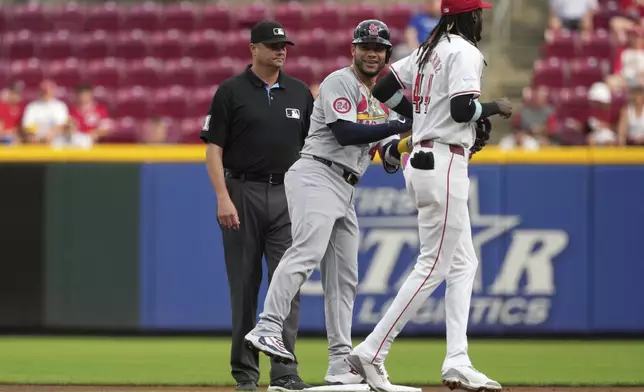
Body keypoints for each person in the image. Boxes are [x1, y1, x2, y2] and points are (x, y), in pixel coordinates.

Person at [345, 1, 513, 391]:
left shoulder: (428, 49)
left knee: (463, 262)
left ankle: (457, 358)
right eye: (479, 11)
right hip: (443, 162)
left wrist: (419, 120)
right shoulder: (464, 51)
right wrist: (494, 108)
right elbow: (460, 109)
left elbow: (385, 86)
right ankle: (372, 350)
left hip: (424, 159)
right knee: (434, 265)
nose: (482, 16)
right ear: (468, 15)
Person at [244, 20, 415, 387]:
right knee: (306, 252)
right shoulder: (341, 81)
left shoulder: (380, 99)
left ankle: (340, 360)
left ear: (386, 55)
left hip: (346, 186)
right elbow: (347, 131)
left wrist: (406, 143)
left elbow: (383, 156)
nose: (372, 52)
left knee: (344, 278)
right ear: (353, 50)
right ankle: (267, 326)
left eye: (379, 48)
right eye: (365, 46)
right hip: (317, 174)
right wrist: (400, 123)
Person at [200, 20, 314, 392]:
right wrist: (222, 196)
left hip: (288, 194)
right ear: (253, 49)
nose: (280, 50)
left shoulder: (299, 92)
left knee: (287, 286)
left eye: (284, 46)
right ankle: (246, 375)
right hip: (242, 192)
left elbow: (314, 149)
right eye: (272, 45)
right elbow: (213, 148)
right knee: (245, 287)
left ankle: (284, 371)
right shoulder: (230, 91)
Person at [21, 79, 69, 144]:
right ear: (39, 91)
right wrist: (37, 136)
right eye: (44, 91)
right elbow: (27, 126)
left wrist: (50, 135)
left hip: (56, 140)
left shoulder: (60, 106)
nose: (46, 93)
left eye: (48, 90)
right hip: (35, 140)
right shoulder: (32, 106)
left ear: (53, 91)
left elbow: (62, 125)